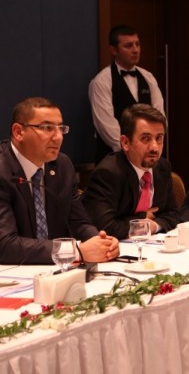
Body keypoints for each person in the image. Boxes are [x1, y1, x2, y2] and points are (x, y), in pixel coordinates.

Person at [0, 97, 120, 264]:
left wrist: (101, 243)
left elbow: (78, 222)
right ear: (19, 132)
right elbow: (5, 245)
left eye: (60, 128)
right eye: (47, 128)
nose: (58, 137)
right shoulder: (3, 169)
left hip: (55, 270)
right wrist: (75, 251)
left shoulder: (62, 165)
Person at [82, 104, 178, 240]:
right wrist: (142, 219)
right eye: (145, 138)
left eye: (159, 138)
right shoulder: (108, 173)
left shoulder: (162, 167)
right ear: (125, 143)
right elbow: (104, 227)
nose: (155, 147)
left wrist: (153, 226)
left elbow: (173, 214)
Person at [89, 25, 165, 163]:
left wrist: (151, 147)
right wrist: (131, 153)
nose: (135, 50)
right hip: (113, 159)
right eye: (128, 46)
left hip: (147, 157)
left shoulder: (148, 78)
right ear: (113, 50)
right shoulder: (102, 81)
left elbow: (160, 118)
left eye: (137, 44)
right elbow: (106, 126)